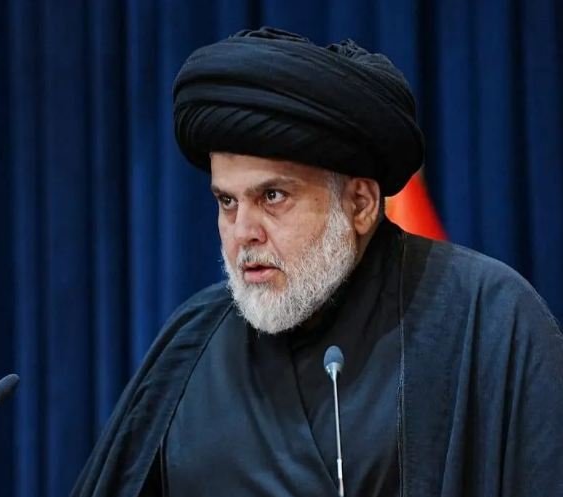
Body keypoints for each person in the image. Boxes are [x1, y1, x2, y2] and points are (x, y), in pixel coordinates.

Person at [71, 27, 563, 497]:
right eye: (227, 202)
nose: (243, 231)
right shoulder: (190, 343)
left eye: (272, 196)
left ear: (360, 204)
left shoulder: (487, 319)